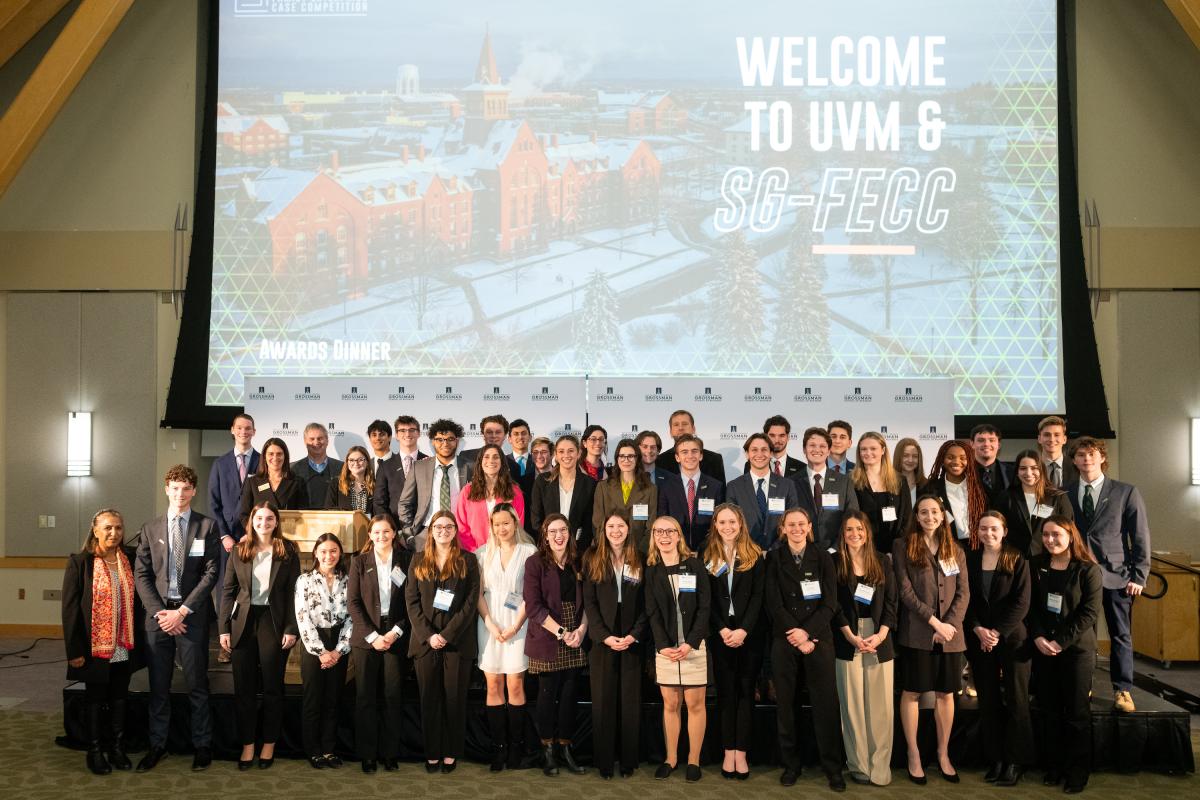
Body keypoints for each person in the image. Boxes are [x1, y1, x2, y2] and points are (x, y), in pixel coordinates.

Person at [133, 465, 218, 772]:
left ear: (193, 491)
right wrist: (161, 613)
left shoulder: (207, 527)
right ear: (166, 489)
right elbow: (141, 574)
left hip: (190, 617)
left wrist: (182, 611)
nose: (180, 494)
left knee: (197, 684)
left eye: (186, 488)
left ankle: (202, 745)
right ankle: (158, 746)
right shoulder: (150, 529)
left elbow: (211, 573)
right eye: (175, 487)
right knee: (159, 686)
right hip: (158, 618)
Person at [1066, 436, 1150, 713]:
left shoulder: (1125, 492)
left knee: (1120, 635)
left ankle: (1122, 690)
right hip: (1079, 576)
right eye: (1080, 455)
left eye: (1091, 454)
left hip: (1117, 576)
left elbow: (1140, 537)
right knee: (1081, 636)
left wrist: (1139, 575)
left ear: (1102, 457)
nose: (1086, 459)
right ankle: (1082, 684)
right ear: (1074, 460)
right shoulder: (1065, 493)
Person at [764, 507, 844, 790]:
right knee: (786, 706)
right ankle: (791, 765)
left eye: (801, 524)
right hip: (784, 641)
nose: (796, 529)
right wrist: (796, 635)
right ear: (782, 528)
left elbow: (830, 603)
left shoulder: (823, 557)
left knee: (825, 706)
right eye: (791, 525)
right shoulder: (773, 558)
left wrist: (807, 633)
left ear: (809, 527)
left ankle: (833, 768)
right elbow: (773, 604)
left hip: (818, 640)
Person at [893, 495, 969, 784]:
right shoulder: (903, 545)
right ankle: (913, 754)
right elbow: (905, 591)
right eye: (923, 512)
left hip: (951, 636)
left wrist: (948, 626)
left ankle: (943, 754)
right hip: (917, 633)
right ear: (916, 515)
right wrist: (934, 622)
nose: (929, 516)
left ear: (942, 515)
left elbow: (964, 593)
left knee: (945, 693)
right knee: (912, 691)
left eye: (934, 512)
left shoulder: (955, 549)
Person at [219, 501, 300, 770]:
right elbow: (227, 591)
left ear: (277, 522)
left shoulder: (287, 550)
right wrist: (223, 629)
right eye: (258, 518)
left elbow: (292, 593)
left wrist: (291, 628)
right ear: (251, 521)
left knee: (272, 688)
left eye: (269, 519)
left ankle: (268, 743)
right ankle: (247, 745)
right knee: (244, 689)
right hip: (242, 622)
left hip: (273, 622)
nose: (263, 523)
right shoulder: (240, 549)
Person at [62, 508, 143, 774]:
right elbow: (70, 610)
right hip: (93, 646)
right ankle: (94, 750)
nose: (114, 533)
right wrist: (74, 650)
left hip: (123, 643)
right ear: (95, 530)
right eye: (107, 528)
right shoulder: (80, 562)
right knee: (95, 698)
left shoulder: (130, 559)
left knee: (120, 696)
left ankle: (116, 748)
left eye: (118, 528)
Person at [1030, 516, 1103, 793]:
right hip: (1043, 649)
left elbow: (1088, 614)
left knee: (1076, 712)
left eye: (1056, 535)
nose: (1050, 540)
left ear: (1070, 536)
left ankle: (1077, 771)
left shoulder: (1088, 570)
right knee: (1049, 710)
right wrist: (1038, 636)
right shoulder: (1036, 565)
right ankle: (1054, 766)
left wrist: (1059, 642)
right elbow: (1032, 607)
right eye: (1046, 535)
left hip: (1076, 651)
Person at [406, 511, 481, 773]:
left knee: (454, 700)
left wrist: (447, 635)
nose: (443, 530)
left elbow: (471, 603)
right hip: (425, 643)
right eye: (438, 526)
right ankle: (432, 754)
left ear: (455, 531)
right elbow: (411, 601)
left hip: (457, 642)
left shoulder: (468, 561)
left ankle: (451, 753)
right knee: (429, 700)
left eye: (449, 526)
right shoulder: (417, 560)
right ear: (431, 531)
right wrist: (429, 635)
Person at [965, 511, 1033, 786]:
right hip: (980, 640)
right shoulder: (970, 559)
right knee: (989, 702)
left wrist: (997, 632)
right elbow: (965, 598)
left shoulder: (1017, 558)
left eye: (994, 529)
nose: (988, 533)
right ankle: (996, 759)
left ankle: (1016, 761)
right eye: (983, 529)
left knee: (1017, 701)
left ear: (1004, 531)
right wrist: (978, 628)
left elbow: (1022, 602)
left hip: (1013, 640)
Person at [582, 510, 648, 779]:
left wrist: (634, 634)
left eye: (621, 525)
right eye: (611, 526)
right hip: (603, 637)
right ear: (604, 529)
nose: (616, 530)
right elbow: (589, 603)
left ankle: (629, 761)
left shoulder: (640, 559)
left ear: (628, 529)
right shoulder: (592, 558)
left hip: (632, 635)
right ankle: (605, 762)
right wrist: (603, 636)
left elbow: (647, 604)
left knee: (630, 701)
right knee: (603, 700)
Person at [832, 511, 896, 787]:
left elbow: (893, 604)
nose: (854, 534)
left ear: (867, 532)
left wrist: (880, 635)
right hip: (847, 638)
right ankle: (858, 764)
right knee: (852, 704)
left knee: (881, 706)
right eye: (849, 529)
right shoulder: (834, 562)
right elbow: (833, 604)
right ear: (842, 534)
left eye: (859, 528)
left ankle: (880, 766)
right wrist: (849, 635)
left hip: (879, 639)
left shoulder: (883, 561)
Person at [523, 513, 589, 776]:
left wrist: (582, 630)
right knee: (547, 696)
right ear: (545, 537)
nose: (559, 536)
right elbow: (533, 607)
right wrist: (563, 632)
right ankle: (547, 750)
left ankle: (565, 748)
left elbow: (588, 602)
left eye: (563, 530)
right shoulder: (534, 563)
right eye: (553, 532)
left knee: (570, 696)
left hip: (576, 633)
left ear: (569, 533)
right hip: (549, 635)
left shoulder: (579, 562)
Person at [644, 515, 709, 783]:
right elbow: (652, 611)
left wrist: (690, 642)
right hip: (666, 650)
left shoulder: (694, 565)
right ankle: (671, 758)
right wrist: (663, 646)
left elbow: (705, 607)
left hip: (694, 647)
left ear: (679, 535)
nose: (665, 536)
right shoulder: (651, 570)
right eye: (659, 531)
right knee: (670, 704)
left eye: (670, 531)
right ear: (653, 537)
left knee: (695, 704)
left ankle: (693, 760)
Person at [704, 504, 765, 781]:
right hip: (721, 636)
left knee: (745, 693)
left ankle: (743, 751)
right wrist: (722, 629)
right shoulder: (708, 556)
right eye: (722, 522)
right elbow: (709, 601)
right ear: (715, 525)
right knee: (726, 694)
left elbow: (758, 598)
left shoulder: (755, 555)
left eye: (732, 522)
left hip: (748, 636)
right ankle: (728, 750)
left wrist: (743, 630)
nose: (727, 527)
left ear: (741, 524)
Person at [347, 515, 413, 773]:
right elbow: (353, 603)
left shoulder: (406, 561)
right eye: (376, 532)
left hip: (396, 634)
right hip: (366, 637)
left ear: (394, 534)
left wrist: (395, 632)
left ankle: (389, 753)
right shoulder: (359, 562)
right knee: (365, 697)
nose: (381, 536)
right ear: (370, 535)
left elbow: (412, 600)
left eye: (386, 532)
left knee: (392, 697)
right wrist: (373, 636)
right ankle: (368, 755)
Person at [476, 504, 536, 771]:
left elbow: (531, 595)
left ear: (515, 523)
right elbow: (477, 594)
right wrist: (490, 624)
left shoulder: (529, 552)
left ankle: (516, 747)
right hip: (489, 624)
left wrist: (514, 627)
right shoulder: (481, 553)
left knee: (515, 686)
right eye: (497, 524)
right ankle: (498, 748)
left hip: (518, 625)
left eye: (506, 523)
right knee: (492, 685)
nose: (501, 528)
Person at [294, 532, 352, 770]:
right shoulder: (304, 580)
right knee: (313, 698)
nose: (329, 555)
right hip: (313, 643)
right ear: (316, 553)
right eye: (324, 551)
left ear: (340, 553)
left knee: (333, 699)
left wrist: (339, 651)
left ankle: (329, 749)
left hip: (339, 641)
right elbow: (302, 617)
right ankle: (313, 750)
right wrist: (321, 652)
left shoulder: (348, 580)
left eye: (334, 551)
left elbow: (353, 617)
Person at [207, 413, 259, 657]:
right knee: (226, 589)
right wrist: (225, 536)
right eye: (240, 428)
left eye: (248, 428)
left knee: (252, 588)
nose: (244, 432)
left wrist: (252, 534)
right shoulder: (220, 464)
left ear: (254, 431)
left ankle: (250, 640)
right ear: (232, 430)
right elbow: (213, 504)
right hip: (228, 540)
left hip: (255, 539)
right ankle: (225, 644)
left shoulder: (262, 462)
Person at [396, 418, 474, 549]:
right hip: (426, 534)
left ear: (457, 441)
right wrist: (409, 533)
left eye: (450, 439)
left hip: (460, 534)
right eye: (440, 439)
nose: (445, 443)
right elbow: (405, 503)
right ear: (433, 442)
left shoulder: (470, 467)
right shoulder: (419, 467)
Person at [727, 432, 799, 550]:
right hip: (745, 553)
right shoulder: (734, 487)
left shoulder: (787, 485)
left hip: (779, 553)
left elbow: (793, 521)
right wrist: (750, 549)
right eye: (754, 450)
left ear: (771, 453)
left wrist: (774, 549)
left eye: (764, 450)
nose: (759, 454)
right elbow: (731, 524)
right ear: (747, 454)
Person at [793, 427, 859, 552]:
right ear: (804, 450)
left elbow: (852, 518)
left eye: (822, 446)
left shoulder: (844, 482)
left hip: (836, 553)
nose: (817, 450)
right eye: (812, 445)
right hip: (801, 553)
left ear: (829, 451)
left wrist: (834, 549)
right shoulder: (791, 482)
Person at [656, 433, 726, 551]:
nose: (690, 455)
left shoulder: (716, 486)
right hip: (676, 550)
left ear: (701, 455)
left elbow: (720, 522)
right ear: (677, 457)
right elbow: (663, 521)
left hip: (709, 550)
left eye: (694, 451)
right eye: (684, 452)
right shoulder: (666, 486)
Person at [529, 434, 597, 553]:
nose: (566, 455)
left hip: (578, 552)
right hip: (547, 550)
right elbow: (536, 520)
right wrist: (550, 544)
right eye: (561, 451)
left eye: (571, 451)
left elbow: (589, 524)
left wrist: (577, 549)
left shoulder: (590, 484)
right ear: (556, 454)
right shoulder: (542, 481)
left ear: (579, 453)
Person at [1000, 449, 1073, 556]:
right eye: (1023, 468)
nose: (1028, 473)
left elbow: (1069, 529)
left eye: (1034, 468)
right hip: (1015, 559)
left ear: (1042, 470)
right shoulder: (1005, 497)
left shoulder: (1058, 497)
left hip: (1049, 558)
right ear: (1016, 472)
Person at [455, 443, 526, 552]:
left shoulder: (514, 491)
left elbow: (518, 524)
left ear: (502, 462)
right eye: (486, 457)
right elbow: (461, 527)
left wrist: (504, 550)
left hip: (506, 552)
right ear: (480, 462)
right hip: (474, 553)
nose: (491, 461)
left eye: (496, 457)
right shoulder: (467, 491)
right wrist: (476, 551)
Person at [593, 438, 658, 553]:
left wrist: (640, 553)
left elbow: (651, 527)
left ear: (637, 459)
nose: (626, 460)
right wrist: (607, 550)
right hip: (609, 551)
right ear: (617, 459)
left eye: (631, 456)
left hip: (638, 551)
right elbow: (598, 524)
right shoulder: (603, 487)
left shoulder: (650, 489)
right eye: (622, 456)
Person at [850, 432, 911, 555]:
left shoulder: (899, 480)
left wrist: (897, 548)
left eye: (873, 448)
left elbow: (906, 516)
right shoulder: (851, 481)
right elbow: (850, 518)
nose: (868, 453)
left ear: (883, 450)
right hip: (863, 550)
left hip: (895, 550)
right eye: (863, 449)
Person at [924, 439, 988, 547]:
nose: (956, 462)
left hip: (978, 546)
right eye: (950, 457)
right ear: (942, 460)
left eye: (963, 458)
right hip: (947, 547)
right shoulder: (932, 488)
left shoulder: (980, 487)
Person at [237, 437, 303, 527]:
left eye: (279, 454)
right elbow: (244, 515)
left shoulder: (297, 482)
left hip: (288, 535)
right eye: (271, 454)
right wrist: (255, 531)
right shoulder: (252, 482)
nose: (275, 458)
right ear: (264, 457)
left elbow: (303, 515)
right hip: (261, 536)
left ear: (285, 456)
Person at [372, 415, 427, 523]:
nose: (407, 434)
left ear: (418, 433)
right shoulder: (385, 466)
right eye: (402, 430)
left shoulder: (429, 462)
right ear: (396, 435)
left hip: (424, 527)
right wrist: (389, 526)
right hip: (395, 528)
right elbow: (379, 502)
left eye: (412, 430)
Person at [655, 409, 727, 480]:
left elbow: (721, 491)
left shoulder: (714, 460)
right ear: (670, 432)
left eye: (685, 424)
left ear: (693, 429)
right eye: (676, 425)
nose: (680, 428)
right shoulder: (660, 461)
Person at [291, 423, 344, 509]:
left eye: (320, 438)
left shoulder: (342, 468)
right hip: (304, 520)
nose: (316, 442)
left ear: (327, 440)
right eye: (312, 439)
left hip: (334, 520)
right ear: (305, 441)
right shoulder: (294, 469)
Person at [324, 445, 375, 512]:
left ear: (367, 462)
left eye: (360, 460)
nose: (356, 463)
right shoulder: (336, 483)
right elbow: (329, 509)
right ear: (347, 463)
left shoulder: (375, 484)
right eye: (351, 460)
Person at [970, 424, 1012, 498]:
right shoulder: (963, 472)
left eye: (991, 440)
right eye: (981, 440)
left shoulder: (1011, 472)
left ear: (998, 445)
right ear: (972, 444)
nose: (986, 444)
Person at [1037, 415, 1077, 488]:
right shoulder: (1030, 466)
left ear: (1064, 439)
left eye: (1057, 435)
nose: (1052, 439)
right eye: (1047, 435)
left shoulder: (1077, 467)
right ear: (1039, 439)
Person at [507, 418, 536, 500]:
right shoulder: (502, 462)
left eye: (523, 433)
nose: (520, 437)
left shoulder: (538, 462)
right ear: (509, 439)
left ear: (530, 437)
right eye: (516, 434)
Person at [893, 437, 927, 508]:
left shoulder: (927, 485)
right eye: (905, 455)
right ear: (898, 457)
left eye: (915, 456)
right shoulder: (887, 484)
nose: (910, 460)